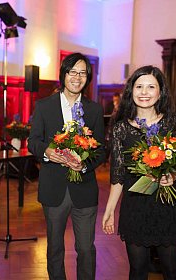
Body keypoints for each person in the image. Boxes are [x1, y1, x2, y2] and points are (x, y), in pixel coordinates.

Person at [102, 65, 176, 280]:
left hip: (168, 207)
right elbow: (118, 174)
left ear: (160, 92)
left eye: (151, 86)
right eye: (139, 86)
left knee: (172, 271)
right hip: (136, 206)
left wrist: (172, 175)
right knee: (137, 271)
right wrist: (109, 210)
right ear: (131, 91)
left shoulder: (174, 123)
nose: (144, 92)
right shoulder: (121, 128)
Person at [28, 52, 106, 279]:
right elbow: (33, 141)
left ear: (87, 78)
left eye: (83, 73)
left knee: (85, 249)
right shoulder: (44, 106)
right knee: (54, 249)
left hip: (84, 188)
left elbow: (100, 150)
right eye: (73, 72)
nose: (77, 77)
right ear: (63, 75)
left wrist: (83, 165)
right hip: (54, 189)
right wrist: (47, 152)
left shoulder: (95, 110)